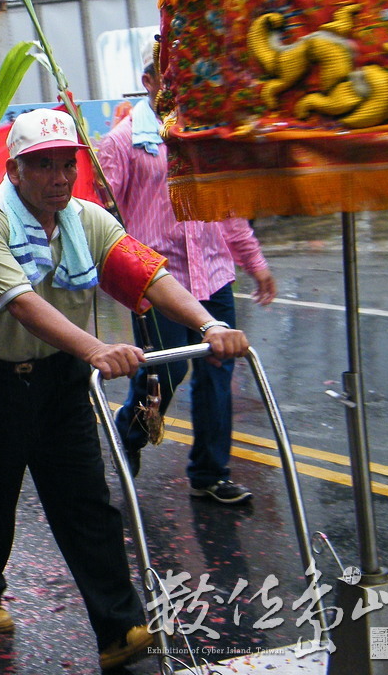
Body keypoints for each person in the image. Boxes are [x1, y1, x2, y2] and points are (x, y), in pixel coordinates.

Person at [0, 108, 250, 669]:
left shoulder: (88, 220)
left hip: (61, 382)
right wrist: (96, 348)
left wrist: (210, 325)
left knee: (87, 502)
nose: (59, 178)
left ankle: (119, 627)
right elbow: (22, 303)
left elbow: (149, 274)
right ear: (14, 170)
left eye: (66, 166)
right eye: (44, 167)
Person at [96, 40, 275, 504]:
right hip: (160, 285)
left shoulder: (206, 138)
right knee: (163, 379)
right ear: (148, 83)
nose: (177, 88)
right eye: (167, 79)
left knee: (219, 374)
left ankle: (210, 474)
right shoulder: (122, 142)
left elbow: (228, 210)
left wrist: (254, 263)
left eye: (184, 78)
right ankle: (128, 438)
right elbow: (102, 218)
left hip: (214, 277)